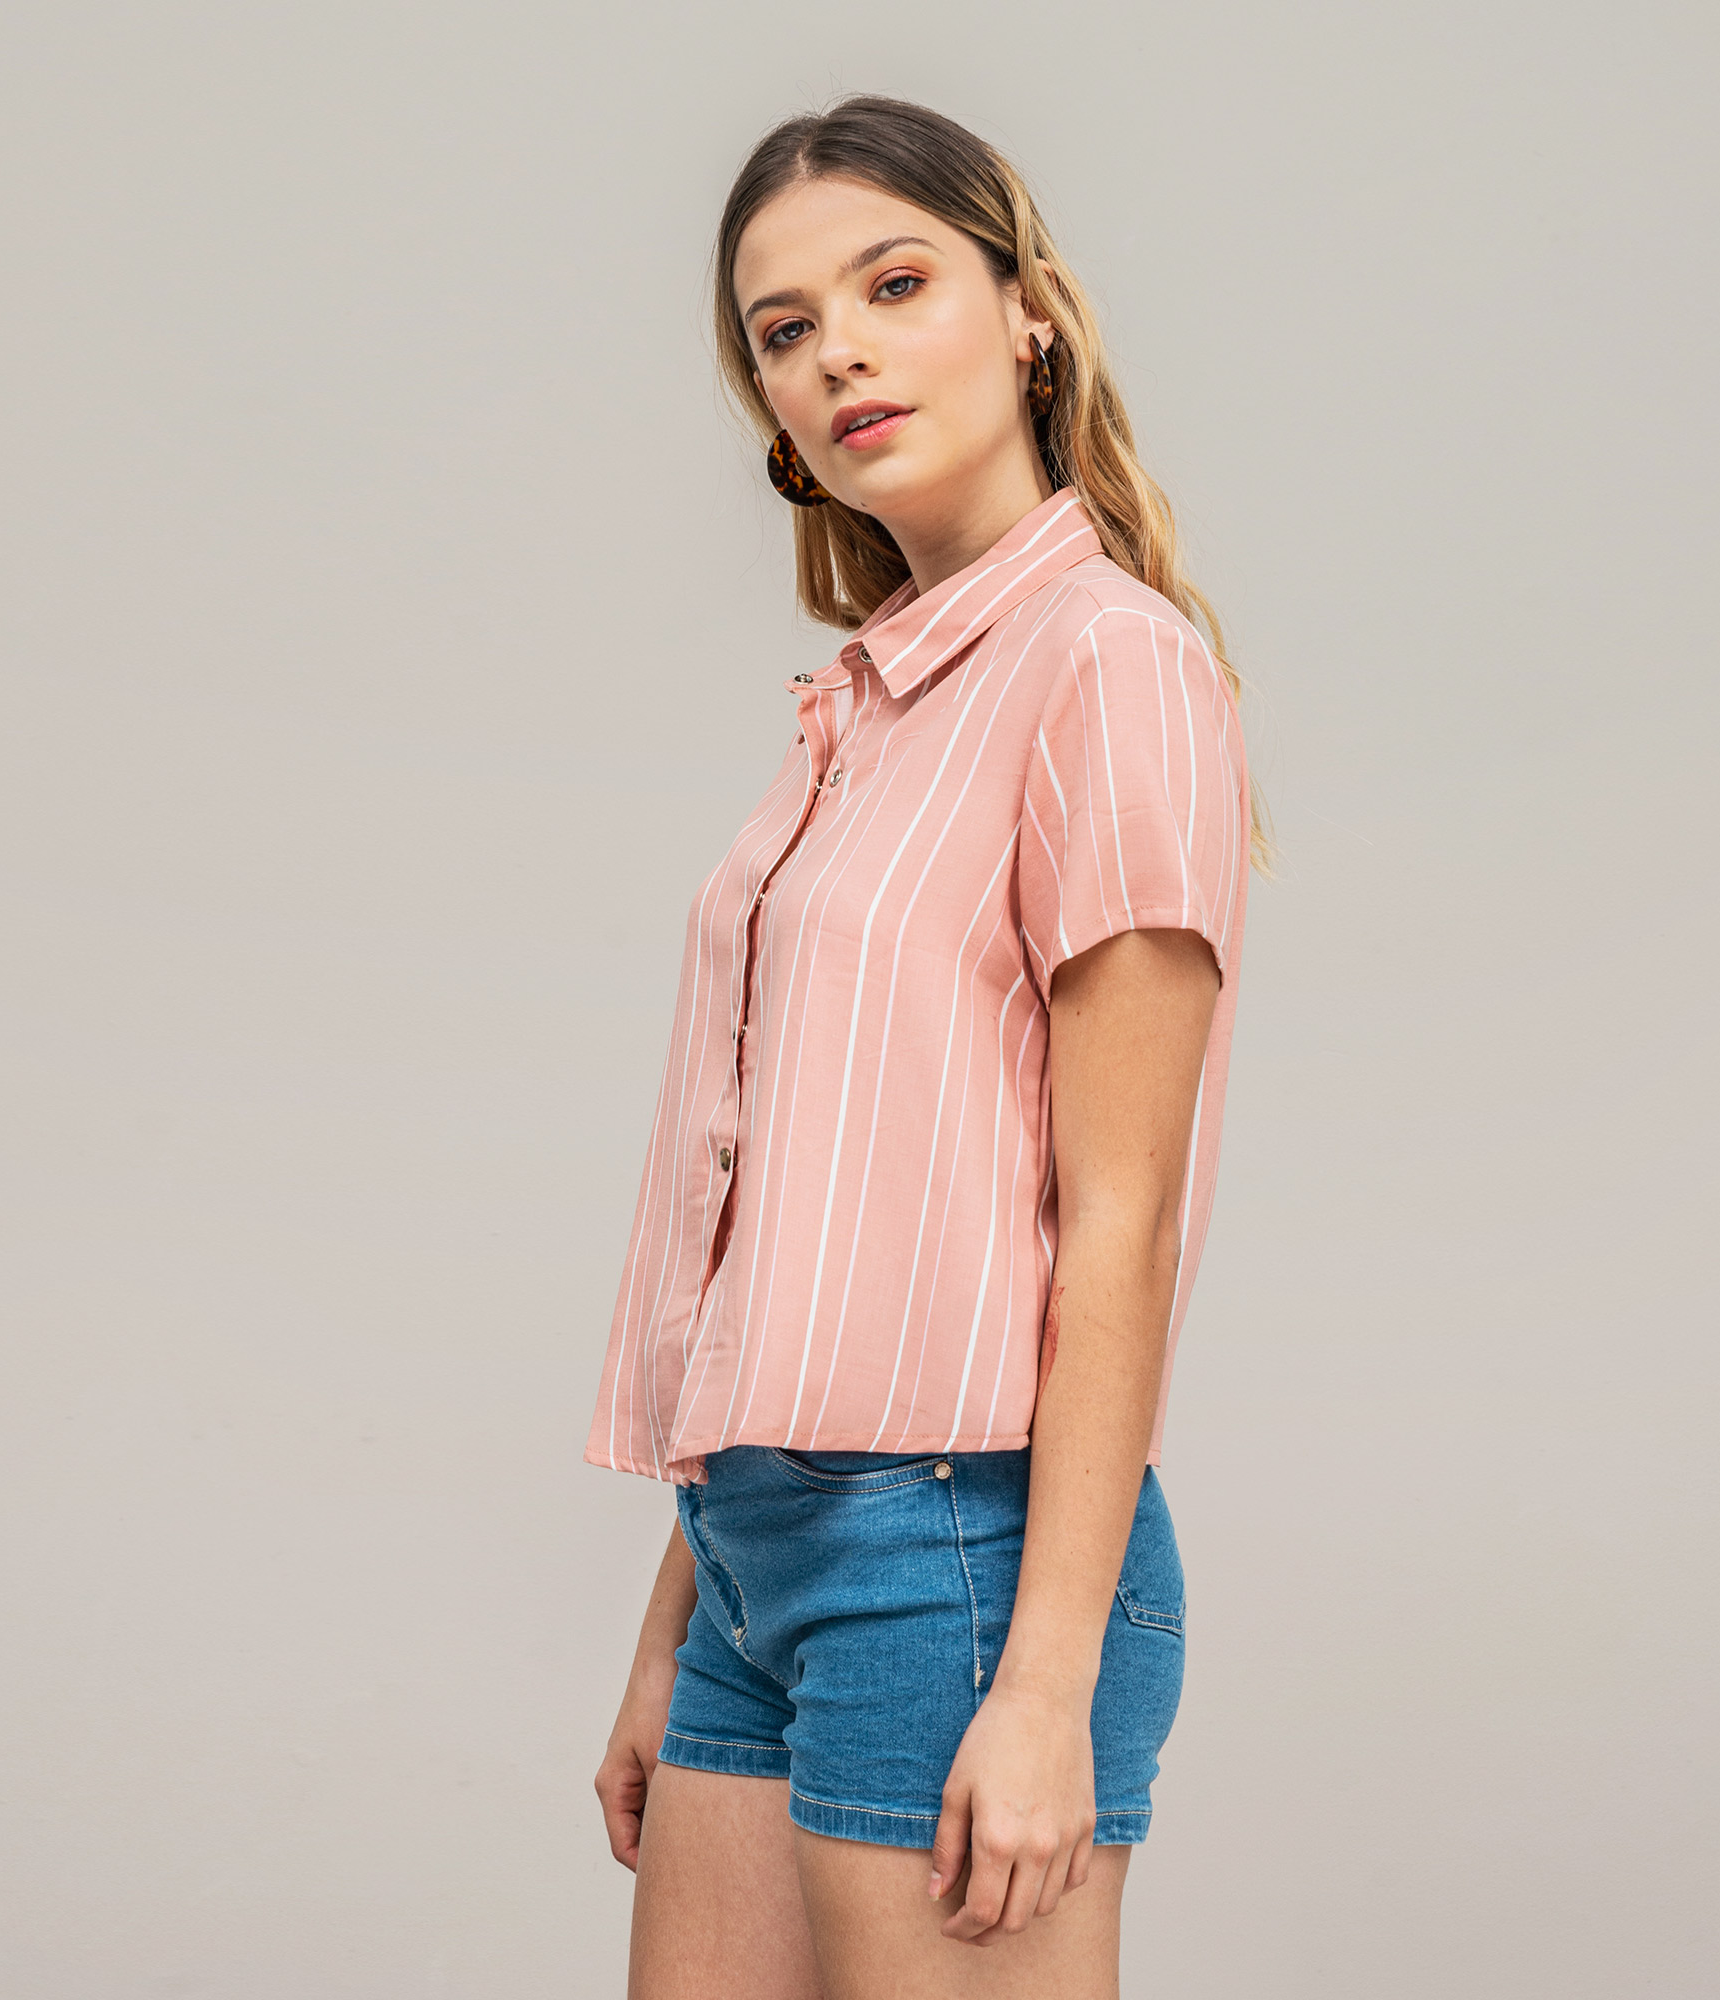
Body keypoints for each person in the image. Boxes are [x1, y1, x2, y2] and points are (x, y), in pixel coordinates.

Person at [586, 94, 1273, 1999]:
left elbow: (1120, 1224)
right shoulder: (868, 712)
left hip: (957, 1557)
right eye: (785, 329)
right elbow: (807, 1237)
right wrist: (677, 1622)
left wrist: (1046, 1684)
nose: (840, 354)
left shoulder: (1106, 664)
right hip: (757, 1554)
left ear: (1028, 310)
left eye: (895, 284)